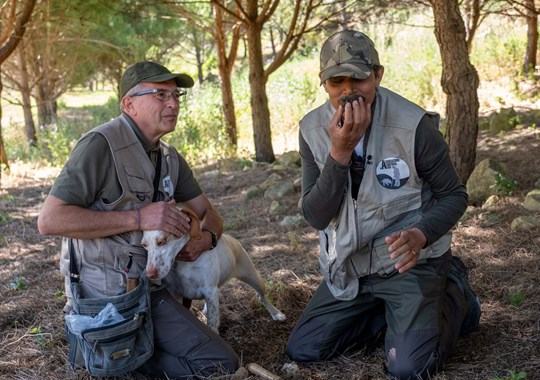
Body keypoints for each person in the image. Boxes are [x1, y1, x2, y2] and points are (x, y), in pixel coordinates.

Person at [285, 30, 481, 379]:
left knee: (408, 368)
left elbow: (454, 195)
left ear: (377, 75)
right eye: (336, 81)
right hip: (352, 268)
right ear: (323, 84)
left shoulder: (413, 125)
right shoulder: (312, 130)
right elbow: (316, 215)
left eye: (358, 78)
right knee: (305, 349)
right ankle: (394, 315)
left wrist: (421, 235)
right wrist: (340, 151)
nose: (347, 91)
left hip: (409, 264)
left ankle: (453, 292)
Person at [38, 61, 239, 378]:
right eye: (160, 94)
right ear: (128, 104)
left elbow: (208, 213)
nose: (172, 103)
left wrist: (206, 239)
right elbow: (50, 220)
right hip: (107, 297)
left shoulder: (170, 157)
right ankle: (108, 353)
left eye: (175, 95)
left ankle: (115, 355)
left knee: (221, 363)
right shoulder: (99, 146)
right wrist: (138, 217)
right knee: (215, 366)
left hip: (152, 289)